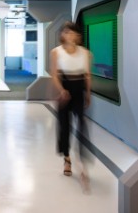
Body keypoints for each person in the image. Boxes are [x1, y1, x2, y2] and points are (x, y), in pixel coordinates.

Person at [49, 21, 92, 187]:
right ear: (62, 35)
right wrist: (61, 90)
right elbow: (54, 74)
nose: (69, 35)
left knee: (81, 124)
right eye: (66, 32)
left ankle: (83, 163)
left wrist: (87, 93)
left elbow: (87, 75)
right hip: (64, 88)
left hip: (79, 88)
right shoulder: (56, 52)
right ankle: (67, 159)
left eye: (72, 32)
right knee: (65, 125)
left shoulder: (85, 53)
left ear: (78, 35)